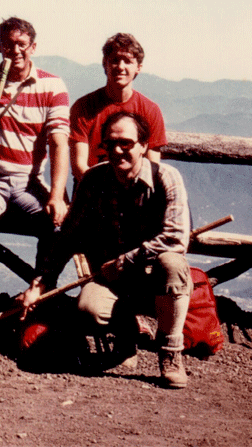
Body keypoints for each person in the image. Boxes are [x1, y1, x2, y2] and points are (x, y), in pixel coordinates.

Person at [20, 112, 192, 389]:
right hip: (113, 281)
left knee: (173, 263)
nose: (117, 150)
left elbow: (175, 238)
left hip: (155, 280)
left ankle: (171, 353)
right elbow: (67, 237)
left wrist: (125, 261)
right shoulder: (93, 180)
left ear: (143, 145)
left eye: (126, 143)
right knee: (88, 309)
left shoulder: (166, 178)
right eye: (110, 143)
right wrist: (40, 283)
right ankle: (127, 338)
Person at [0, 17, 70, 309]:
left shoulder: (52, 85)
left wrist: (57, 196)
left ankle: (40, 291)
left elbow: (59, 143)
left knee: (57, 225)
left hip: (29, 182)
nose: (15, 50)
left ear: (33, 47)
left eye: (21, 44)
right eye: (8, 44)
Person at [70, 33, 167, 182]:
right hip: (92, 189)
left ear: (138, 67)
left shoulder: (150, 110)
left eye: (128, 61)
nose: (121, 67)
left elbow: (151, 167)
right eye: (115, 60)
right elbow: (79, 166)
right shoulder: (83, 107)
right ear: (105, 64)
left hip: (135, 191)